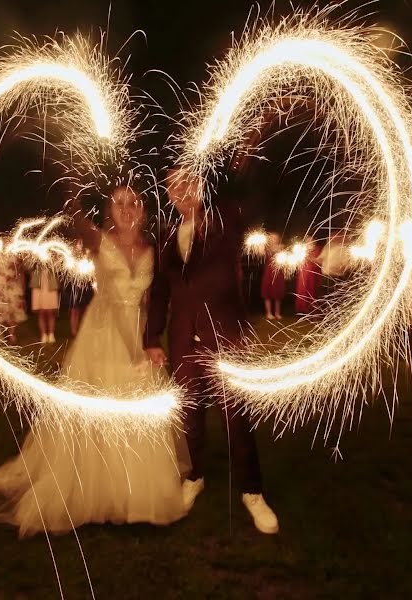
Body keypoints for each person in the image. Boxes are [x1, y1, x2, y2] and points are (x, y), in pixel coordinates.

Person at [0, 185, 189, 536]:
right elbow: (75, 216)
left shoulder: (153, 249)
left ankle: (135, 491)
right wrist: (71, 180)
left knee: (134, 402)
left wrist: (150, 339)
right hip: (102, 335)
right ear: (109, 210)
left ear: (144, 211)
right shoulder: (98, 239)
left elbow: (153, 299)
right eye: (118, 203)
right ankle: (98, 488)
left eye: (133, 202)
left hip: (136, 333)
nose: (126, 208)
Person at [144, 167, 279, 535]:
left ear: (201, 185)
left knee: (236, 415)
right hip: (183, 338)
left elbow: (259, 193)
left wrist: (248, 152)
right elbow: (160, 290)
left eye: (187, 182)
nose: (180, 190)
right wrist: (151, 337)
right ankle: (196, 475)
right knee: (191, 412)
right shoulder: (167, 234)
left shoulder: (226, 218)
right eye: (172, 186)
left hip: (225, 336)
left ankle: (252, 490)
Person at [0, 253, 27, 345]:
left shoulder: (15, 256)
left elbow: (20, 273)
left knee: (12, 311)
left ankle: (12, 334)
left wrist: (21, 287)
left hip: (12, 288)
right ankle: (0, 333)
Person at [30, 265, 59, 344]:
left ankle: (51, 333)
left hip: (50, 285)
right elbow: (28, 266)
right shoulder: (35, 260)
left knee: (51, 312)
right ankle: (43, 334)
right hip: (38, 286)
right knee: (41, 312)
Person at [260, 232, 286, 320]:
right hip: (269, 271)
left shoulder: (282, 247)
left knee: (278, 293)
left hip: (278, 272)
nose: (274, 239)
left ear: (278, 239)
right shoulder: (266, 248)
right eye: (272, 238)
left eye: (275, 238)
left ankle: (277, 313)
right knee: (267, 292)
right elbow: (261, 253)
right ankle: (268, 313)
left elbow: (283, 255)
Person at [295, 236, 321, 314]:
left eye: (311, 241)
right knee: (303, 290)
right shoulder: (302, 250)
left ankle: (311, 309)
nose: (310, 243)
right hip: (304, 272)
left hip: (313, 273)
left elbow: (319, 261)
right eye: (308, 241)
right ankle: (302, 309)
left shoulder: (317, 249)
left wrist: (311, 258)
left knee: (311, 290)